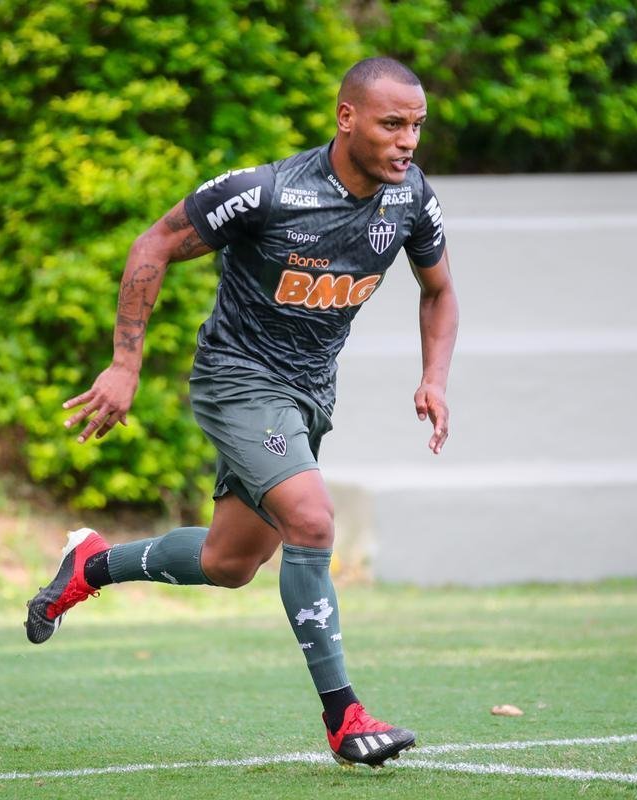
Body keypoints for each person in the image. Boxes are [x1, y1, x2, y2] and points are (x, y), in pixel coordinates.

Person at [24, 56, 458, 768]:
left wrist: (433, 377)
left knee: (229, 563)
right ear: (346, 118)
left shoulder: (410, 199)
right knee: (314, 521)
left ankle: (92, 564)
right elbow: (154, 243)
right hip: (237, 381)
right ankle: (344, 717)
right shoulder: (268, 192)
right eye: (391, 123)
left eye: (416, 125)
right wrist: (125, 365)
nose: (408, 140)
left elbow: (439, 290)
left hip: (308, 396)